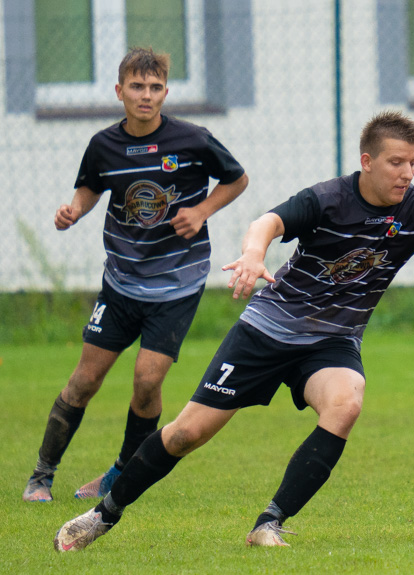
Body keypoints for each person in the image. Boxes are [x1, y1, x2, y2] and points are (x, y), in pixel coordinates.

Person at [52, 110, 414, 551]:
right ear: (367, 161)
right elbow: (267, 222)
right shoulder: (328, 199)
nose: (408, 173)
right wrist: (255, 254)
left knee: (346, 402)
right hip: (266, 331)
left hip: (332, 342)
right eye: (396, 162)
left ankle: (269, 522)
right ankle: (105, 513)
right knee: (186, 434)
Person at [22, 48, 249, 503]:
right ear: (120, 91)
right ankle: (41, 475)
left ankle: (120, 476)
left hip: (176, 286)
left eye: (155, 87)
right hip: (122, 283)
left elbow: (237, 179)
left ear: (166, 91)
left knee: (147, 382)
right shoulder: (103, 144)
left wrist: (202, 210)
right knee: (85, 380)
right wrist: (75, 210)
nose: (146, 96)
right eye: (136, 87)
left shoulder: (193, 140)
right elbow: (90, 186)